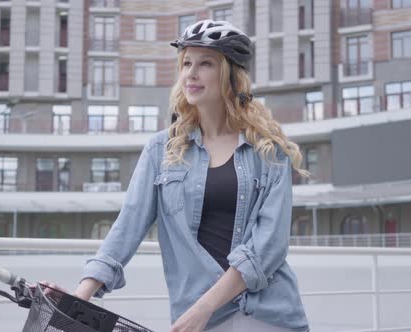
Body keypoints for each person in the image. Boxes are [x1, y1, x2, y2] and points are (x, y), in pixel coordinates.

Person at [46, 19, 310, 332]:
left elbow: (268, 247)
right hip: (199, 319)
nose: (191, 73)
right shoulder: (161, 150)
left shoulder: (268, 151)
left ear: (231, 74)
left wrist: (204, 307)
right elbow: (126, 228)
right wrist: (81, 295)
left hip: (269, 315)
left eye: (206, 63)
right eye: (186, 63)